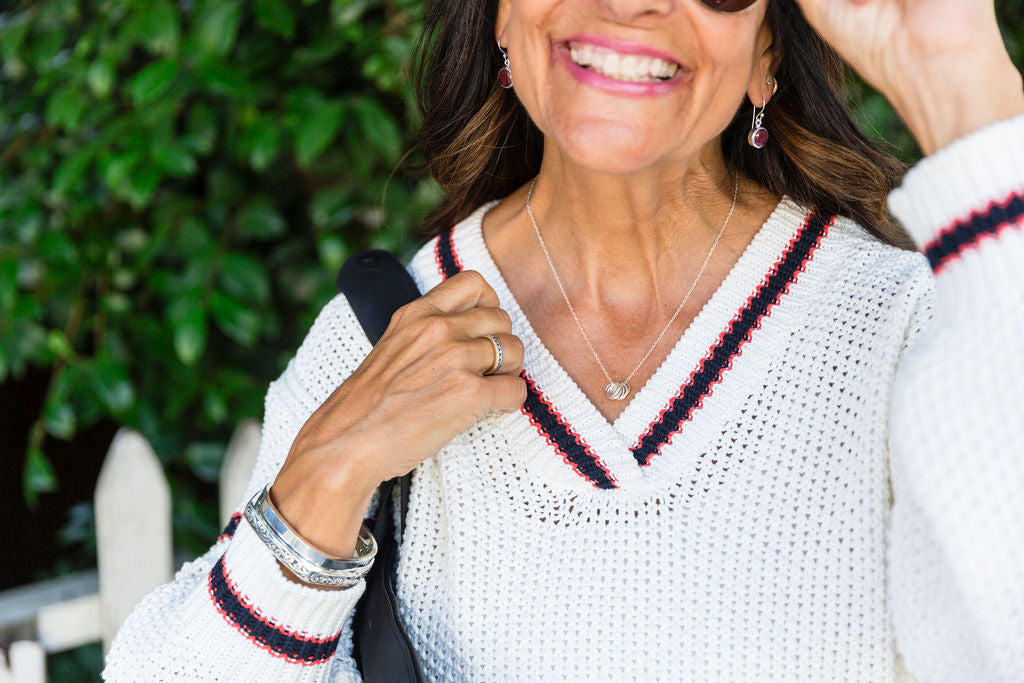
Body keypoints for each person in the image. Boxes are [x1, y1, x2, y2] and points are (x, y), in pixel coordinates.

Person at [103, 0, 1024, 679]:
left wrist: (960, 85)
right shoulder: (383, 335)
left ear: (766, 58)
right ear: (502, 21)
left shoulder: (914, 325)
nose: (631, 5)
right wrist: (326, 474)